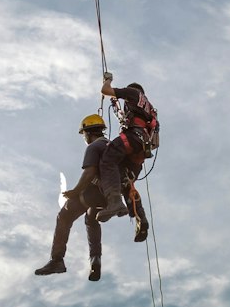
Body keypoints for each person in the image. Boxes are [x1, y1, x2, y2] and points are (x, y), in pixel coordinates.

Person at [35, 113, 109, 281]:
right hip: (110, 196)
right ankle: (95, 260)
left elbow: (89, 172)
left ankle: (57, 260)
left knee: (64, 217)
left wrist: (75, 191)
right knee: (91, 219)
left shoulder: (93, 147)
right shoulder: (112, 146)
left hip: (94, 192)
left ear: (88, 133)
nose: (84, 137)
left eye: (84, 134)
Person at [96, 75, 159, 223]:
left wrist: (108, 80)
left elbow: (105, 90)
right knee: (124, 179)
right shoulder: (150, 109)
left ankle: (114, 202)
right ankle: (140, 218)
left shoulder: (133, 93)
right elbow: (155, 141)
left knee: (108, 159)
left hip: (133, 138)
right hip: (142, 149)